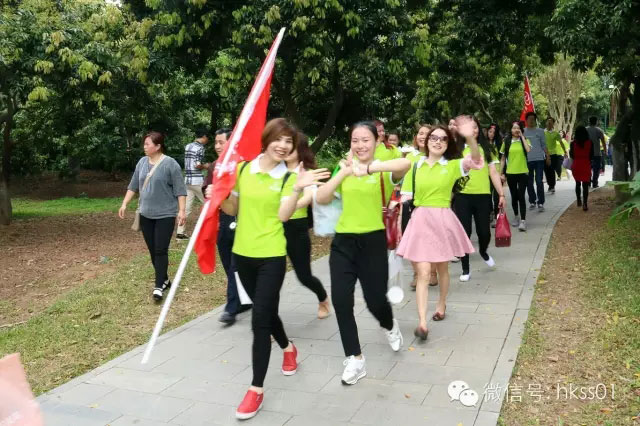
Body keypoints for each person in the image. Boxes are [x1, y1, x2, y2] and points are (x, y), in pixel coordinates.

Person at [210, 118, 329, 419]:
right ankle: (288, 348)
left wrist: (297, 187)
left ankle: (256, 389)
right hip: (242, 255)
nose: (283, 146)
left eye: (289, 142)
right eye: (279, 139)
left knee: (259, 322)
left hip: (271, 257)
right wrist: (218, 195)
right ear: (266, 139)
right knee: (267, 313)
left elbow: (284, 215)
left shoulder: (288, 177)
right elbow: (233, 209)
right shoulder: (242, 170)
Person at [315, 121, 409, 385]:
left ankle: (389, 325)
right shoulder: (344, 168)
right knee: (341, 300)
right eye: (355, 140)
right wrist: (343, 173)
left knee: (375, 301)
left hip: (373, 243)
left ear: (376, 141)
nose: (360, 145)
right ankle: (355, 358)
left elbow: (405, 164)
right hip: (343, 243)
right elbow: (322, 197)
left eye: (365, 139)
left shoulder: (382, 169)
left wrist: (369, 168)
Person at [397, 117, 483, 341]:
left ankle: (441, 303)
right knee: (423, 272)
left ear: (448, 143)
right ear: (426, 142)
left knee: (442, 268)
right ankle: (422, 322)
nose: (437, 141)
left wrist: (470, 138)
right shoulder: (415, 164)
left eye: (443, 139)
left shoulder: (453, 165)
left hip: (442, 220)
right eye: (433, 138)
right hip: (420, 219)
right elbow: (404, 190)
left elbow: (475, 159)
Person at [119, 132, 187, 300]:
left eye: (147, 144)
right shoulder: (142, 163)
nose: (144, 146)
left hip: (165, 214)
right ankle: (164, 279)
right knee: (152, 250)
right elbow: (133, 185)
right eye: (144, 144)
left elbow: (180, 190)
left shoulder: (170, 164)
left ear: (157, 146)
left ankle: (158, 286)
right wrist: (125, 203)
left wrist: (182, 211)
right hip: (146, 214)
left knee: (160, 249)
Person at [202, 128, 247, 326]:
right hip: (223, 219)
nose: (217, 146)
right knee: (228, 264)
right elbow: (207, 189)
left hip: (242, 219)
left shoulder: (243, 166)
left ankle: (231, 307)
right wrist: (208, 190)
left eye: (222, 142)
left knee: (236, 263)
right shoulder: (215, 166)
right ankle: (244, 298)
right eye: (216, 142)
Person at [284, 132, 331, 319]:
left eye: (291, 145)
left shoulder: (306, 173)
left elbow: (308, 197)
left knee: (304, 276)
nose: (286, 148)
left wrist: (289, 206)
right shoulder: (274, 171)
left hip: (296, 229)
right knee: (271, 275)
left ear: (300, 149)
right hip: (274, 228)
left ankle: (323, 298)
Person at [453, 117, 505, 282]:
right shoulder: (456, 149)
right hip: (462, 197)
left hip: (483, 196)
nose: (472, 131)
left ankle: (483, 251)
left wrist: (501, 194)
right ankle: (465, 268)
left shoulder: (487, 148)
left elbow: (493, 173)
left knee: (484, 233)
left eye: (475, 127)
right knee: (465, 232)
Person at [400, 125, 438, 289]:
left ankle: (432, 273)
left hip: (430, 203)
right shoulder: (409, 156)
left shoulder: (437, 157)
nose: (423, 136)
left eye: (427, 134)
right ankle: (417, 273)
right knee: (410, 240)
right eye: (420, 133)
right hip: (409, 201)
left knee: (431, 239)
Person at [176, 128, 210, 240]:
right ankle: (212, 230)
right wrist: (206, 166)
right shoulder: (200, 148)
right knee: (209, 204)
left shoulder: (188, 146)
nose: (208, 140)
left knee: (185, 208)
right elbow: (197, 164)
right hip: (197, 181)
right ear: (204, 137)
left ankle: (180, 233)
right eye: (207, 138)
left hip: (187, 181)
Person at [500, 122, 532, 232]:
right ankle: (516, 216)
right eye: (514, 128)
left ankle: (523, 220)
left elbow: (528, 150)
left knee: (521, 195)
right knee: (514, 196)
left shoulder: (525, 140)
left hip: (523, 172)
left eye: (518, 128)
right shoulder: (506, 141)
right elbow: (503, 159)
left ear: (521, 130)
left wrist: (522, 136)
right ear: (511, 130)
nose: (516, 130)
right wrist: (501, 173)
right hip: (510, 173)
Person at [523, 112, 550, 212]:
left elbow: (544, 145)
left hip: (539, 159)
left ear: (535, 120)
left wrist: (548, 156)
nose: (531, 120)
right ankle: (532, 201)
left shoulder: (540, 131)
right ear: (526, 120)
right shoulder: (523, 131)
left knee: (539, 181)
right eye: (529, 119)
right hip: (527, 160)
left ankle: (541, 202)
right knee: (529, 182)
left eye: (533, 119)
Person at [569, 126, 594, 211]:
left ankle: (579, 200)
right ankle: (585, 204)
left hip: (576, 165)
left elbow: (571, 155)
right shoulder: (590, 142)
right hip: (586, 164)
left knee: (577, 183)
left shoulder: (573, 143)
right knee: (585, 185)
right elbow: (591, 155)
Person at [543, 117, 566, 194]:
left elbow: (561, 142)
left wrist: (565, 151)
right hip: (544, 154)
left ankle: (552, 186)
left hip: (553, 154)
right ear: (546, 123)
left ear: (553, 124)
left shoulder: (556, 133)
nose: (549, 123)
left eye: (551, 122)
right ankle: (550, 185)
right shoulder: (542, 132)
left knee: (552, 170)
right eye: (548, 121)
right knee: (546, 170)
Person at [487, 123, 502, 223]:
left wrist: (502, 173)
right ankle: (490, 212)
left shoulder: (499, 143)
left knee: (497, 196)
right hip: (486, 172)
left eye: (494, 132)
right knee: (488, 195)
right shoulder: (483, 144)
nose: (491, 134)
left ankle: (497, 216)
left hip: (497, 171)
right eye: (490, 132)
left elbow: (503, 159)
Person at [586, 116, 606, 188]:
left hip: (587, 153)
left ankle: (588, 182)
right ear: (596, 122)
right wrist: (605, 151)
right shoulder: (599, 130)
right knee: (596, 169)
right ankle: (595, 183)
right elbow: (603, 141)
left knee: (587, 168)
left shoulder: (585, 130)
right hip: (597, 153)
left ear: (589, 121)